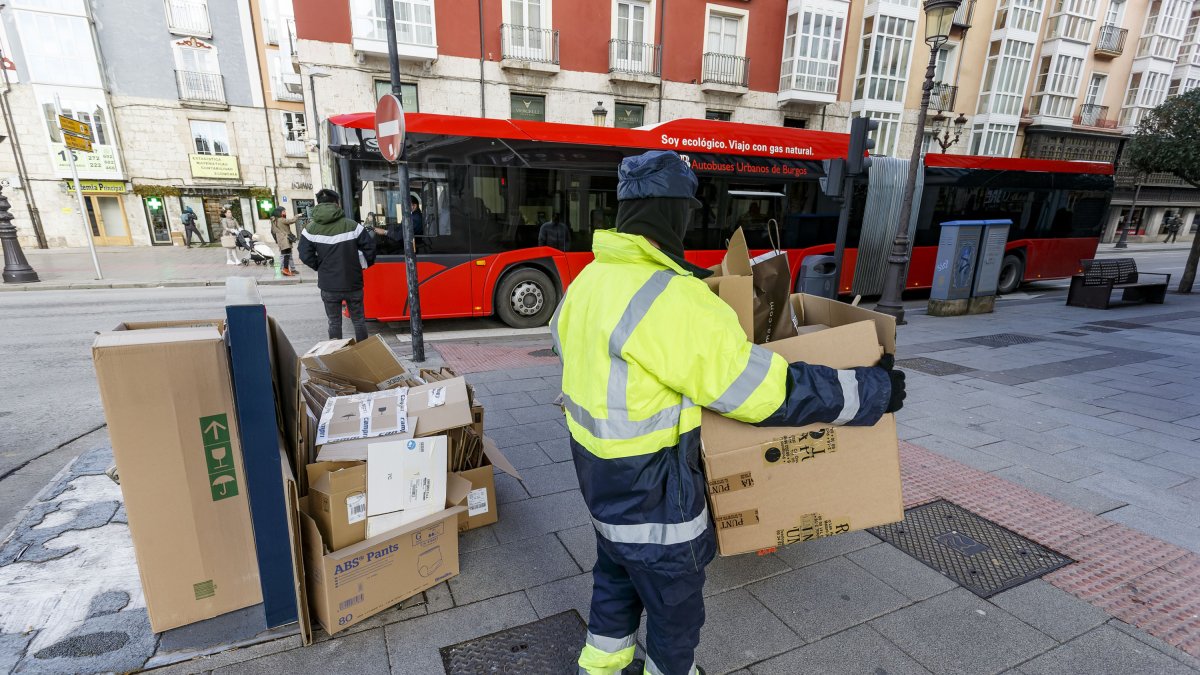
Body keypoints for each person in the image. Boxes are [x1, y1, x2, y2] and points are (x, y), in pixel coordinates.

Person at [552, 151, 905, 675]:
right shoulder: (673, 302)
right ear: (674, 215)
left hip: (601, 484)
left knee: (615, 585)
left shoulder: (589, 282)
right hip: (657, 498)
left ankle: (598, 669)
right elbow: (762, 392)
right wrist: (870, 390)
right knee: (674, 618)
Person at [298, 189, 376, 341]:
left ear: (318, 204)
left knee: (334, 323)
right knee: (359, 321)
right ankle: (365, 352)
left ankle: (337, 353)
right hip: (353, 283)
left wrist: (319, 266)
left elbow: (304, 255)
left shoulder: (310, 229)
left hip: (329, 285)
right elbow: (370, 249)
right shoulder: (353, 226)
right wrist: (361, 265)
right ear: (337, 204)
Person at [271, 206, 299, 276]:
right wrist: (297, 216)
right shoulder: (281, 219)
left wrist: (276, 240)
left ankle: (291, 269)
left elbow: (273, 231)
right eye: (283, 211)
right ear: (279, 212)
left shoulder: (274, 220)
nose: (285, 212)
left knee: (287, 255)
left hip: (281, 239)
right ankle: (284, 270)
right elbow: (292, 221)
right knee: (286, 255)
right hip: (284, 239)